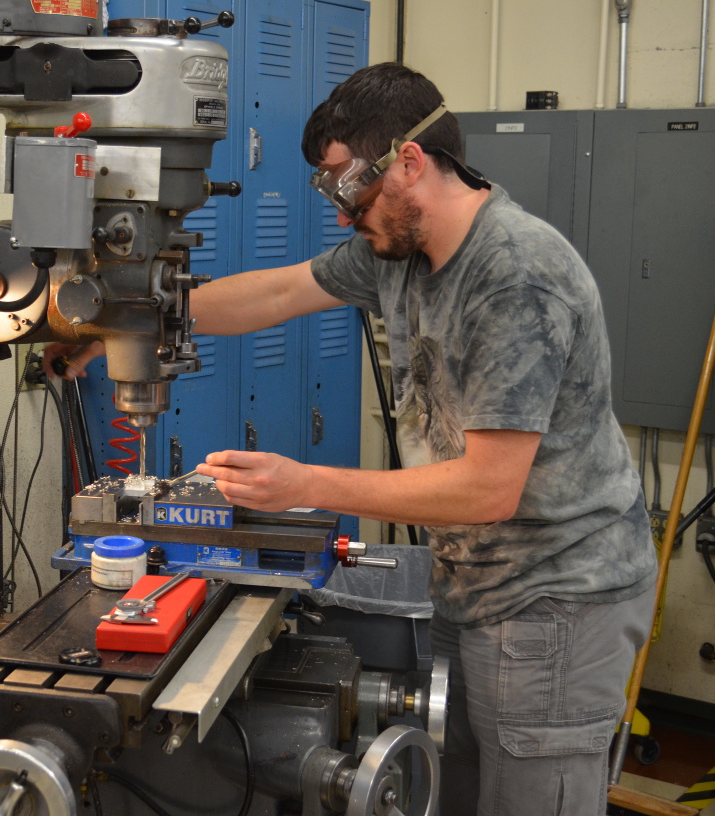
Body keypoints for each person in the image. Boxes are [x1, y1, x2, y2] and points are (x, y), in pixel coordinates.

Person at [45, 62, 657, 816]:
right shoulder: (393, 255)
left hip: (559, 602)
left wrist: (305, 485)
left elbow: (488, 488)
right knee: (463, 795)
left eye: (347, 189)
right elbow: (275, 291)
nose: (342, 215)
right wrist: (123, 331)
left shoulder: (517, 275)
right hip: (472, 587)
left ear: (408, 161)